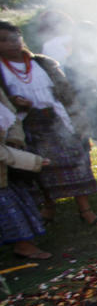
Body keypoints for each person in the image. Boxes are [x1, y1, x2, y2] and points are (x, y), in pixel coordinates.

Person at [0, 21, 97, 226]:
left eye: (15, 38)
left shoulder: (43, 63)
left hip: (55, 120)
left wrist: (77, 120)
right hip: (27, 125)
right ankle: (48, 207)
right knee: (39, 170)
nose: (12, 44)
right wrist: (15, 103)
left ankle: (85, 210)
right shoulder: (1, 71)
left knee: (75, 164)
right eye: (3, 40)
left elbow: (66, 93)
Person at [0, 88, 50, 259]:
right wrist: (32, 161)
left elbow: (11, 117)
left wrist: (14, 140)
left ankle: (24, 245)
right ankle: (22, 246)